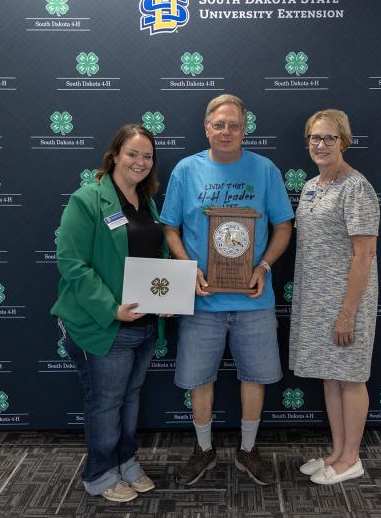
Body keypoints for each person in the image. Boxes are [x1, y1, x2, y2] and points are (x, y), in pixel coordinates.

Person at [160, 94, 294, 486]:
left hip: (254, 301)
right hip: (202, 300)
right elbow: (170, 227)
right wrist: (187, 269)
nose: (226, 131)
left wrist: (265, 266)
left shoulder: (265, 169)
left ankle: (248, 449)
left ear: (244, 129)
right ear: (207, 128)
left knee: (254, 377)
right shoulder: (186, 170)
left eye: (234, 125)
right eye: (219, 124)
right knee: (199, 379)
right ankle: (203, 450)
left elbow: (284, 226)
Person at [51, 124, 167, 502]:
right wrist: (111, 308)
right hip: (103, 324)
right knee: (105, 402)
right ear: (115, 154)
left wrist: (166, 300)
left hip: (145, 324)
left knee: (130, 396)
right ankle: (100, 474)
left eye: (147, 156)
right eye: (133, 153)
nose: (140, 162)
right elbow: (71, 263)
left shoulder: (146, 202)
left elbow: (153, 260)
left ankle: (126, 462)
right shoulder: (87, 200)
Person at [289, 109, 380, 485]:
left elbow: (364, 255)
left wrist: (347, 313)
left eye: (328, 138)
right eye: (314, 137)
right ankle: (338, 452)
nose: (320, 144)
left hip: (347, 302)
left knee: (351, 377)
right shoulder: (312, 185)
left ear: (344, 141)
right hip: (315, 302)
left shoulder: (356, 187)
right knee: (331, 377)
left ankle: (352, 458)